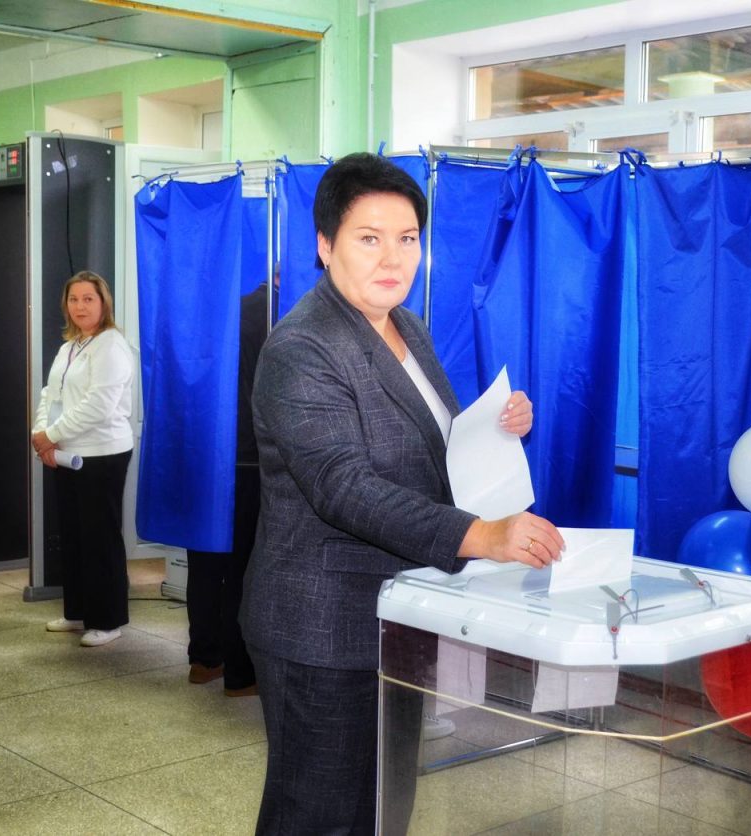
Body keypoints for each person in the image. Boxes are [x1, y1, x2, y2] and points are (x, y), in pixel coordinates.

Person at [240, 152, 565, 835]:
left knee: (382, 809)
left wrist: (494, 426)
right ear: (325, 245)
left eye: (408, 238)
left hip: (396, 612)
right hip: (323, 627)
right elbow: (342, 486)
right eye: (369, 238)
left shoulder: (406, 328)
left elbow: (428, 445)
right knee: (318, 816)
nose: (393, 258)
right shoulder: (303, 347)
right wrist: (481, 536)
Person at [32, 270, 134, 648]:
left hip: (102, 454)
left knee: (100, 539)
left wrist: (50, 435)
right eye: (74, 299)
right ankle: (77, 611)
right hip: (67, 453)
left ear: (103, 303)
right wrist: (41, 434)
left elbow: (98, 405)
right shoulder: (70, 346)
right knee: (73, 537)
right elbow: (50, 393)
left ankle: (107, 621)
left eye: (88, 299)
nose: (80, 306)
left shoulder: (112, 345)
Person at [185, 272, 273, 696]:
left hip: (205, 452)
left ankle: (205, 659)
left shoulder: (223, 312)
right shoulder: (275, 313)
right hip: (248, 457)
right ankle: (241, 673)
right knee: (243, 567)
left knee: (205, 563)